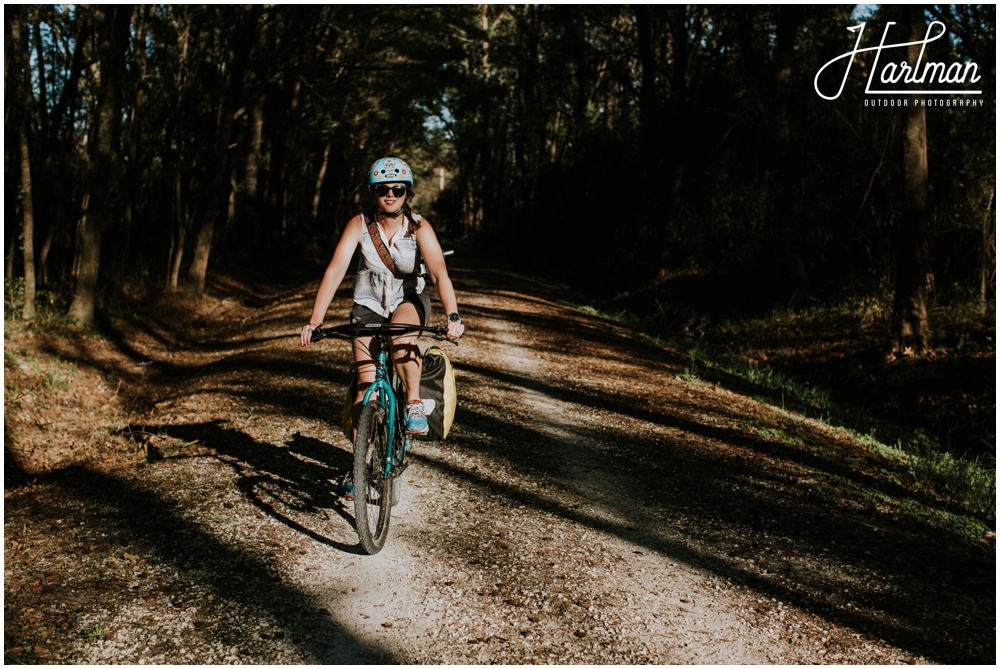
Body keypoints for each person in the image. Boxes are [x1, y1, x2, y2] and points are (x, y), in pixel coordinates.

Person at [300, 157, 464, 440]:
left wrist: (453, 315)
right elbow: (336, 270)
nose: (390, 194)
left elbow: (439, 273)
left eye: (398, 189)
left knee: (399, 339)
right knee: (364, 388)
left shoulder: (419, 227)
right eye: (382, 189)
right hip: (368, 303)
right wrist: (315, 321)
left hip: (408, 301)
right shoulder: (359, 225)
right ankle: (359, 469)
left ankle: (413, 403)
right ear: (372, 192)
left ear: (407, 192)